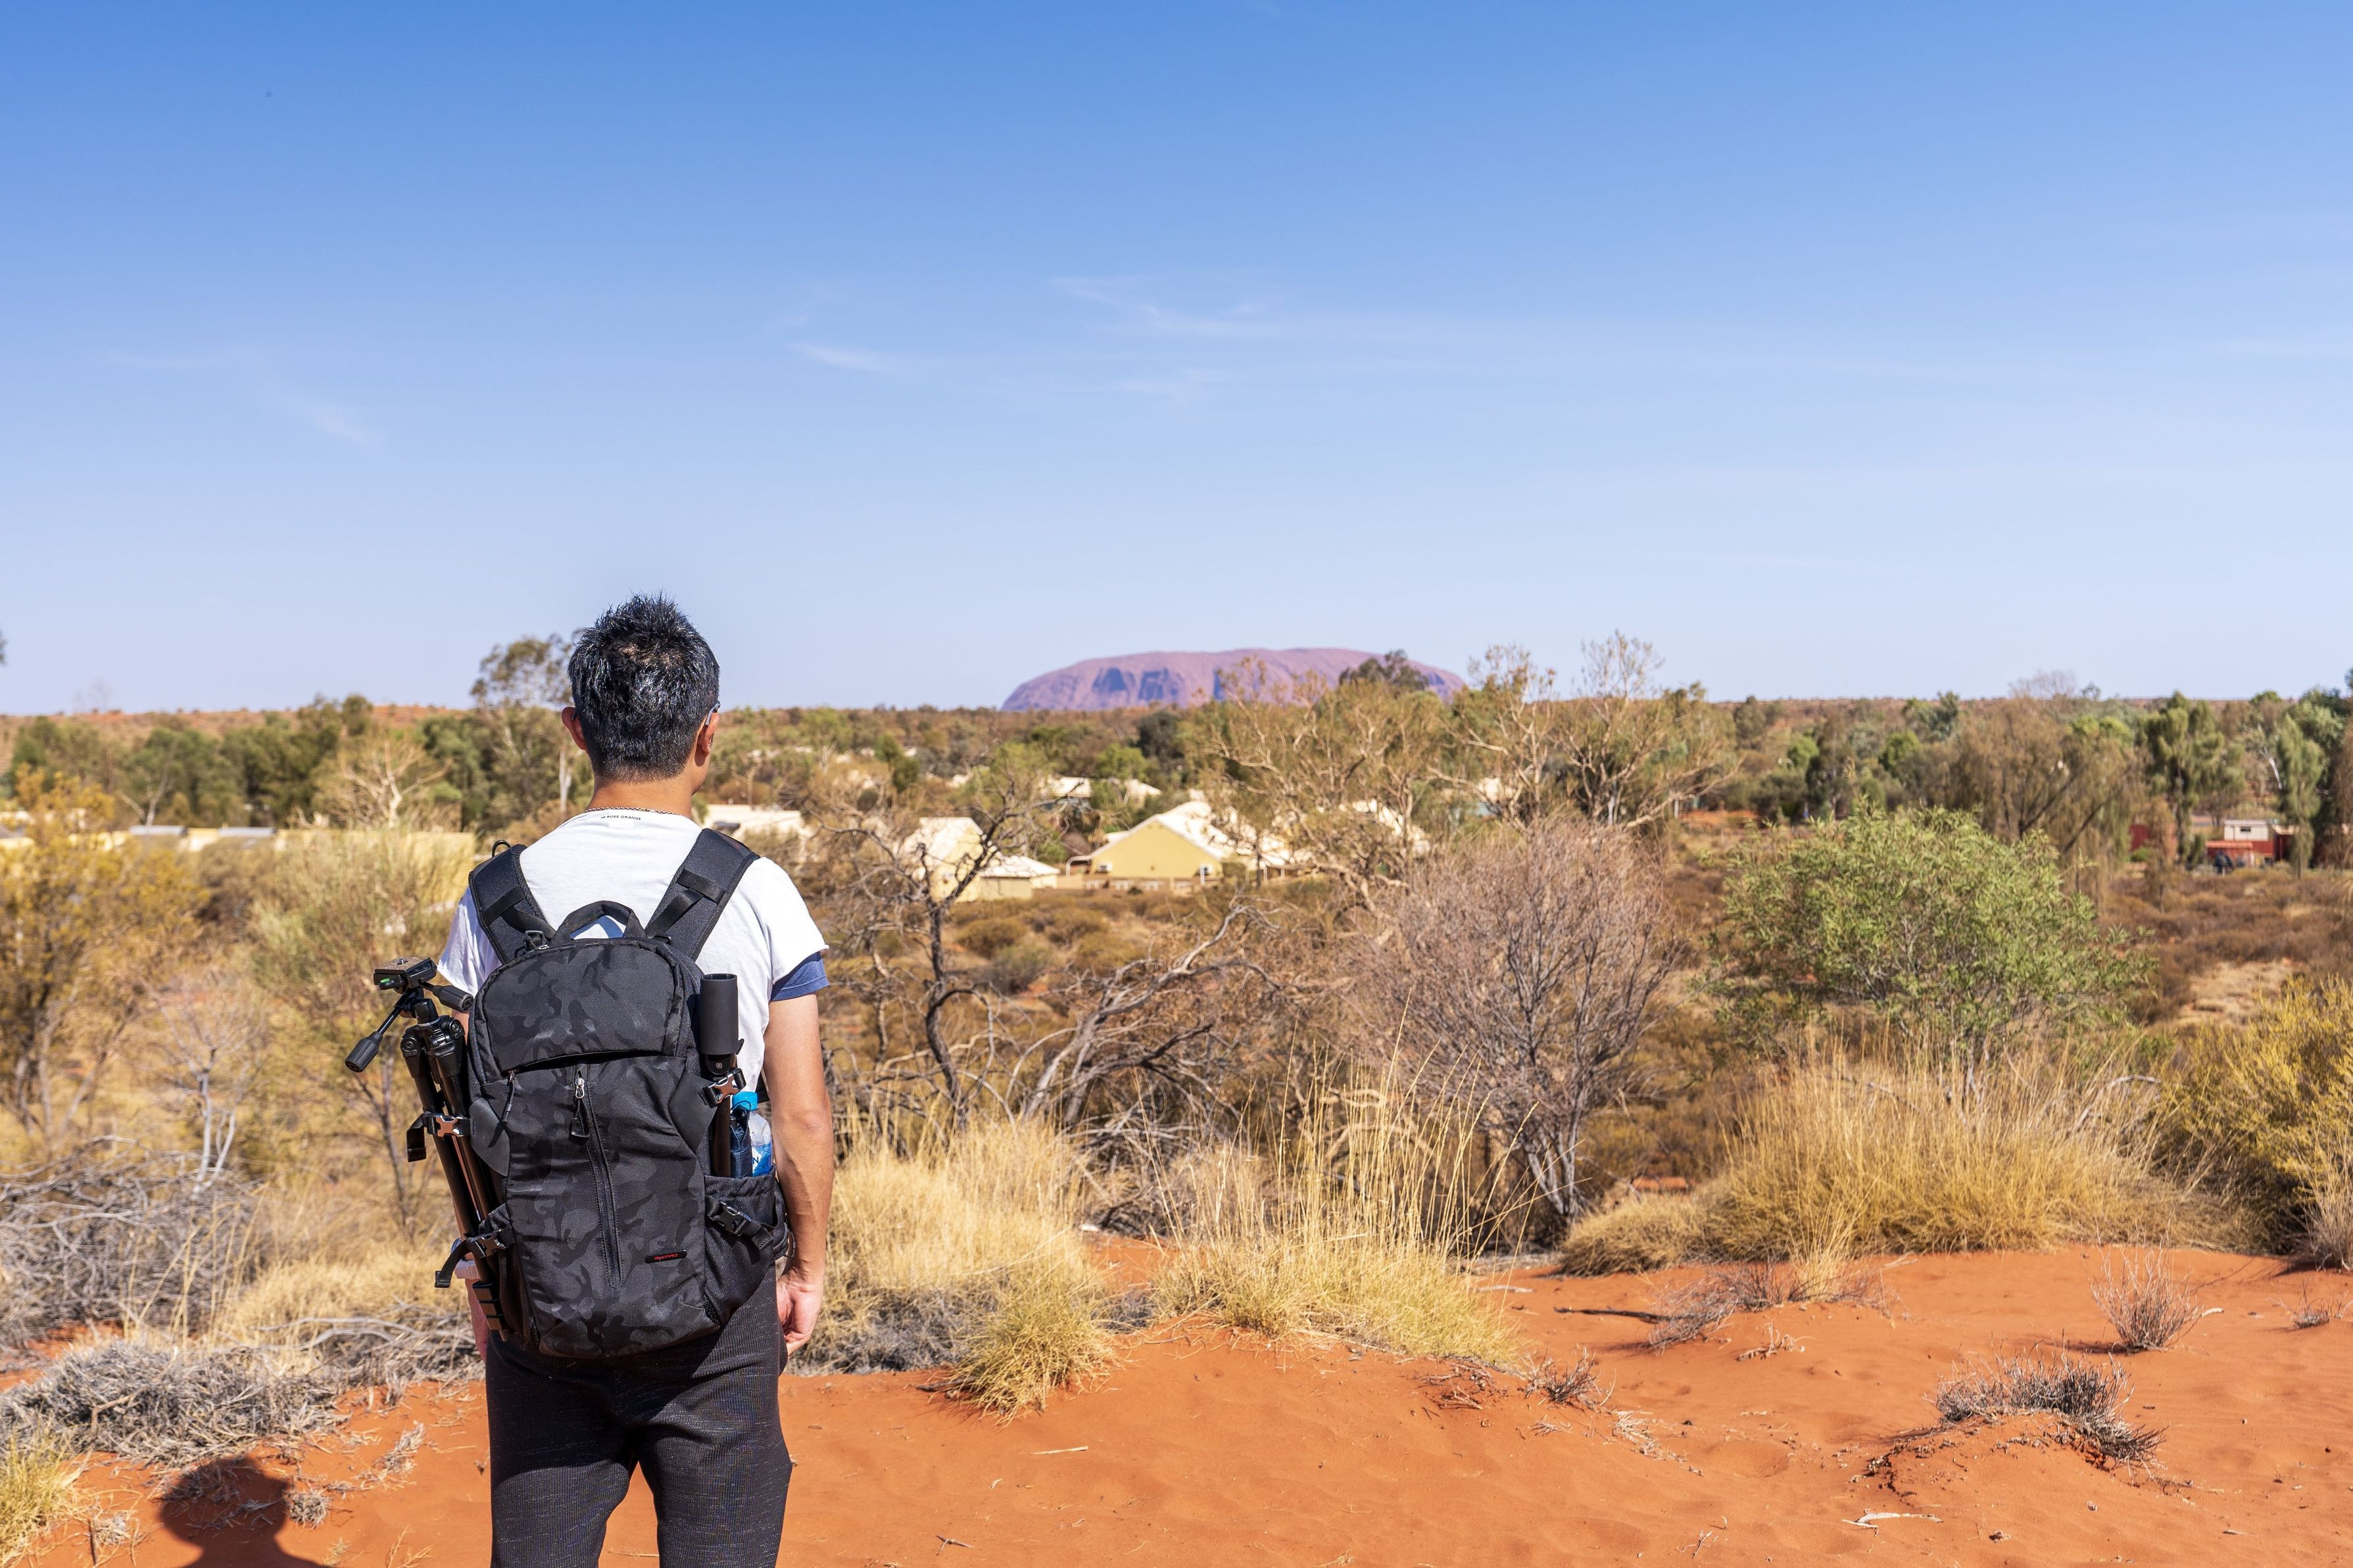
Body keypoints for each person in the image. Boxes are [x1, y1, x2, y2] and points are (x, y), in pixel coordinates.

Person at [434, 594, 831, 1568]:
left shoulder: (493, 901)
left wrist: (486, 1282)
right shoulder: (755, 889)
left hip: (544, 1300)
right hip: (716, 1299)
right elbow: (802, 1114)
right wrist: (806, 1269)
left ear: (576, 730)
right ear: (708, 735)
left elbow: (459, 1120)